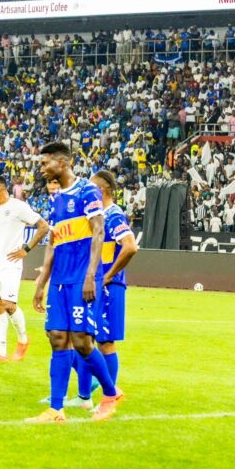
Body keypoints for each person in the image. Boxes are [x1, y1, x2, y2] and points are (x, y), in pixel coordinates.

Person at [29, 142, 122, 424]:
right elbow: (52, 244)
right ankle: (56, 409)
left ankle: (110, 394)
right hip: (60, 279)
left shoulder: (87, 191)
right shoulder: (56, 199)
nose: (41, 169)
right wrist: (41, 283)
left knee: (81, 341)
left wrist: (91, 275)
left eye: (45, 163)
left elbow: (99, 231)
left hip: (82, 278)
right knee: (57, 337)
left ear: (62, 162)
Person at [75, 170, 138, 398]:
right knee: (83, 338)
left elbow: (130, 246)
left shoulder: (113, 215)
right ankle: (85, 395)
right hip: (95, 285)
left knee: (105, 342)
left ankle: (108, 396)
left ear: (101, 191)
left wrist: (109, 275)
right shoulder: (98, 216)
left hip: (110, 287)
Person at [0, 176, 49, 362]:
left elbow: (43, 227)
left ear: (0, 188)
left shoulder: (19, 207)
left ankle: (23, 340)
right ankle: (1, 353)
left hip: (11, 263)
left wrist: (26, 249)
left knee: (8, 304)